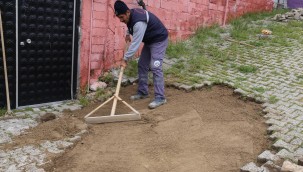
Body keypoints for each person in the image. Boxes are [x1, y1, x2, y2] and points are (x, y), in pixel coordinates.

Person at [114, 0, 168, 109]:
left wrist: (125, 59)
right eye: (119, 18)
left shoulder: (139, 22)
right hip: (149, 40)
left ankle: (160, 97)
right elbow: (129, 23)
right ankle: (143, 92)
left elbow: (135, 44)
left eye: (121, 17)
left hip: (159, 39)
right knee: (142, 64)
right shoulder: (131, 14)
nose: (121, 20)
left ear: (128, 12)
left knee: (155, 66)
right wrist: (128, 33)